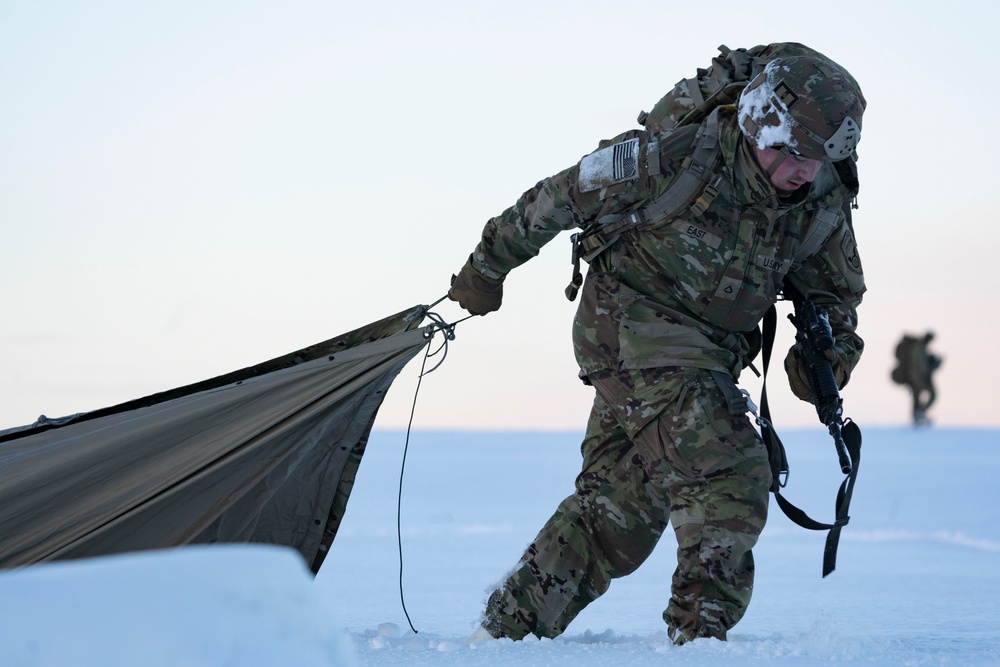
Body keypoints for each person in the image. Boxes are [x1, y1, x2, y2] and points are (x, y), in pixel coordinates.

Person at [447, 46, 867, 645]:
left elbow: (836, 298)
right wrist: (486, 271)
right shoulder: (675, 156)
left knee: (621, 510)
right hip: (627, 328)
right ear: (760, 124)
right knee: (729, 471)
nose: (805, 168)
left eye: (823, 156)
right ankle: (701, 644)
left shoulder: (819, 200)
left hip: (709, 355)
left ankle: (504, 631)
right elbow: (558, 195)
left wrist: (826, 356)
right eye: (794, 150)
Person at [891, 332, 941, 426]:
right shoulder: (918, 348)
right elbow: (915, 366)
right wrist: (917, 380)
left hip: (916, 378)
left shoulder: (921, 348)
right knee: (923, 395)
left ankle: (918, 415)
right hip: (915, 378)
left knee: (918, 397)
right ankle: (918, 416)